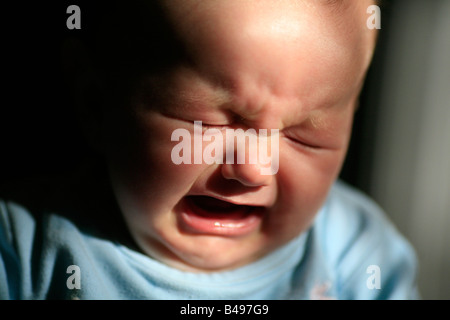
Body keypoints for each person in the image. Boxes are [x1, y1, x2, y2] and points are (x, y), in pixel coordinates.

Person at [0, 0, 419, 299]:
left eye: (302, 137)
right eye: (210, 123)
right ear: (97, 104)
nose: (254, 168)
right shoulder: (27, 250)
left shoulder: (355, 253)